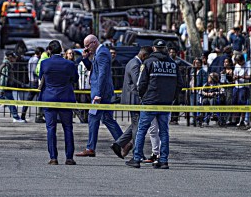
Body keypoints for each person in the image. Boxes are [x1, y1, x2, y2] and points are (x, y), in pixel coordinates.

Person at [125, 39, 184, 169]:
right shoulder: (173, 64)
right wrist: (171, 98)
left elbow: (141, 84)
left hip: (150, 102)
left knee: (142, 130)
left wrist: (143, 97)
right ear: (165, 49)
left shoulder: (148, 62)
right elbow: (180, 84)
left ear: (154, 48)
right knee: (164, 132)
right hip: (165, 103)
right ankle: (163, 160)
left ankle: (136, 159)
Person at [76, 35, 123, 157]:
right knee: (107, 118)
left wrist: (98, 94)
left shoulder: (102, 53)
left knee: (93, 118)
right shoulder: (99, 53)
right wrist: (85, 58)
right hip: (101, 93)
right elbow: (93, 69)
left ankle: (90, 148)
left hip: (100, 94)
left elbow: (102, 75)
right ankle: (124, 142)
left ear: (94, 42)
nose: (86, 48)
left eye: (87, 45)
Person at [39, 40, 78, 165]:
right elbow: (75, 79)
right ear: (61, 50)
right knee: (68, 128)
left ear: (49, 50)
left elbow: (41, 77)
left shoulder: (45, 63)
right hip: (65, 97)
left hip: (49, 98)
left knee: (51, 128)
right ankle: (69, 157)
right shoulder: (69, 64)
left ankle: (53, 157)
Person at [110, 46, 153, 160]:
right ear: (144, 56)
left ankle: (118, 144)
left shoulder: (132, 62)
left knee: (136, 124)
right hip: (134, 99)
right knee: (137, 127)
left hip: (132, 99)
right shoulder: (135, 64)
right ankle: (137, 153)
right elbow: (138, 83)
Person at [0, 51, 25, 123]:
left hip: (4, 88)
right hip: (5, 88)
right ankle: (16, 117)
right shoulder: (6, 65)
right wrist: (2, 89)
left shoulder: (7, 64)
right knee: (10, 102)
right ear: (10, 58)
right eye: (14, 58)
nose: (15, 59)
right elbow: (3, 78)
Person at [21, 47, 45, 122]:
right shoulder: (36, 60)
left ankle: (23, 114)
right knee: (39, 98)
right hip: (35, 81)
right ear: (40, 53)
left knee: (29, 99)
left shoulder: (31, 59)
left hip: (31, 80)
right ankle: (39, 116)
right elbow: (35, 71)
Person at [232, 54, 251, 127]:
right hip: (236, 86)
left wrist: (240, 77)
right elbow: (234, 75)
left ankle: (242, 119)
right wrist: (234, 77)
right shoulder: (236, 66)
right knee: (235, 102)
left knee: (242, 102)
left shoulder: (247, 65)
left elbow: (249, 76)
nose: (239, 63)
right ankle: (235, 119)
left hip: (244, 86)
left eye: (239, 62)